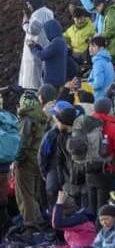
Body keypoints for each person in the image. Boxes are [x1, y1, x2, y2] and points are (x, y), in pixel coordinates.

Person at [14, 91, 47, 231]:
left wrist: (16, 160)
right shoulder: (42, 117)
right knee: (34, 192)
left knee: (25, 193)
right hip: (38, 160)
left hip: (26, 160)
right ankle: (38, 219)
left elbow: (22, 143)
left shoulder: (26, 119)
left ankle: (29, 223)